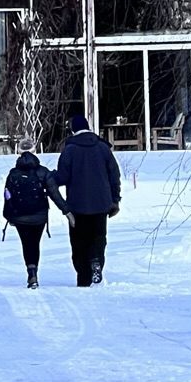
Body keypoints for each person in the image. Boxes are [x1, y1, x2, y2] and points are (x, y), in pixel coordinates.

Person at [53, 112, 123, 286]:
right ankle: (97, 260)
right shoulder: (103, 148)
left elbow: (62, 177)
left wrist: (47, 177)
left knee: (79, 241)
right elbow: (114, 175)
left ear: (72, 130)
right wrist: (115, 199)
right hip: (101, 204)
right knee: (99, 236)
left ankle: (83, 276)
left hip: (77, 206)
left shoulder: (69, 149)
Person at [0, 149, 64, 288]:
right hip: (39, 216)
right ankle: (34, 271)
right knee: (35, 243)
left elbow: (7, 195)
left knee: (26, 243)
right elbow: (54, 192)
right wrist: (66, 210)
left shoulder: (13, 173)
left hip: (20, 216)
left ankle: (31, 271)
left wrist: (8, 215)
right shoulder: (42, 172)